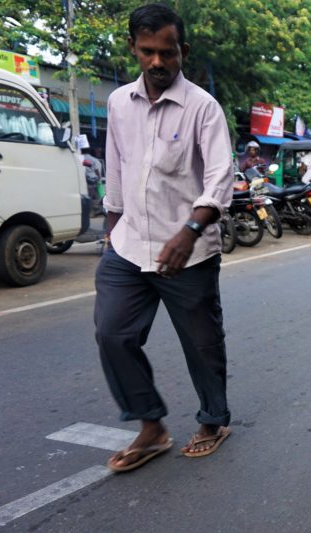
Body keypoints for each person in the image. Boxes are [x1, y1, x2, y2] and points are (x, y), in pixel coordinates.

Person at [95, 3, 234, 472]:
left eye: (167, 53)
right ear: (134, 48)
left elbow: (219, 177)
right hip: (129, 244)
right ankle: (150, 427)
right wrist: (112, 231)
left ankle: (213, 420)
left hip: (188, 252)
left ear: (183, 51)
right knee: (113, 333)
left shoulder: (203, 108)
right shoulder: (118, 103)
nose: (157, 62)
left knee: (201, 344)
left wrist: (191, 230)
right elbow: (116, 167)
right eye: (148, 51)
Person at [81, 147, 104, 215]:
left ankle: (92, 212)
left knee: (89, 196)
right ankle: (94, 211)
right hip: (93, 179)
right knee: (97, 195)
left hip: (84, 179)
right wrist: (99, 177)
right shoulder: (94, 160)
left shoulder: (78, 158)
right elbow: (97, 169)